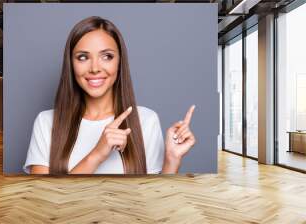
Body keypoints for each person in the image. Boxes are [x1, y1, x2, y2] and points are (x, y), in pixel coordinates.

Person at [23, 16, 196, 175]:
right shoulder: (46, 122)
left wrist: (172, 160)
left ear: (120, 62)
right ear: (71, 64)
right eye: (83, 57)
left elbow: (155, 199)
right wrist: (97, 154)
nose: (95, 68)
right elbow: (43, 198)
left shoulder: (146, 120)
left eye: (107, 56)